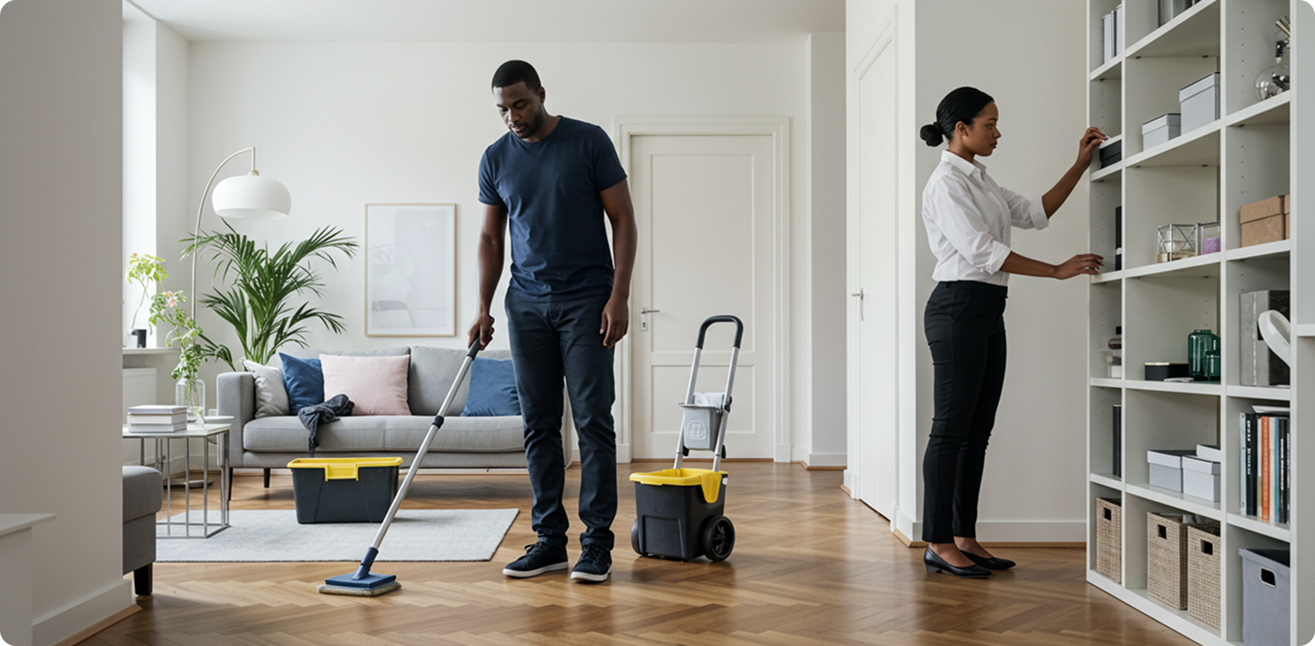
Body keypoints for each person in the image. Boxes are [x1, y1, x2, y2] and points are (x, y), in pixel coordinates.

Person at [918, 86, 1106, 578]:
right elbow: (983, 252)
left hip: (985, 308)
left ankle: (963, 536)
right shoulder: (945, 184)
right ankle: (938, 540)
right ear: (962, 129)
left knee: (976, 434)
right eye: (989, 124)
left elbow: (1036, 213)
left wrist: (1080, 162)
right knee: (950, 431)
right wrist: (1057, 271)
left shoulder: (980, 178)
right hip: (957, 307)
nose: (997, 133)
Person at [470, 60, 637, 584]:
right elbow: (492, 238)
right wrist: (483, 305)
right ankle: (550, 542)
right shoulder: (495, 159)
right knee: (539, 425)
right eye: (502, 109)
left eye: (520, 104)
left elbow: (624, 221)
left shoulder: (588, 142)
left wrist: (619, 296)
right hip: (527, 305)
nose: (512, 117)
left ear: (541, 94)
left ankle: (597, 545)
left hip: (588, 301)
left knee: (592, 421)